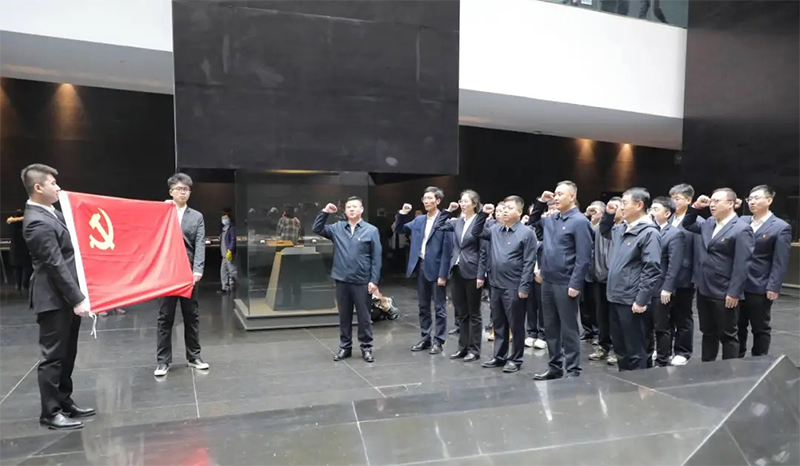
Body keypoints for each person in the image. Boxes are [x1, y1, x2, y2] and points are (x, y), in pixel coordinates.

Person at [21, 164, 95, 430]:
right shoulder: (36, 222)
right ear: (38, 187)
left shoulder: (52, 212)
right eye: (52, 183)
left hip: (65, 296)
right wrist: (77, 298)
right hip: (53, 299)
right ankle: (50, 412)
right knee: (53, 357)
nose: (58, 187)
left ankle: (64, 401)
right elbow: (55, 265)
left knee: (68, 353)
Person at [530, 182, 593, 380]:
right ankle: (555, 366)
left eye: (560, 194)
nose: (556, 198)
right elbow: (532, 221)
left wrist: (575, 283)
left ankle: (573, 369)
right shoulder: (552, 219)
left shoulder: (580, 221)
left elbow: (584, 257)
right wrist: (541, 201)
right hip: (547, 280)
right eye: (555, 194)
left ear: (572, 196)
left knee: (569, 328)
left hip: (566, 282)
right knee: (550, 327)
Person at [682, 188, 754, 362]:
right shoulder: (709, 223)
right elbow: (688, 223)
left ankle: (729, 370)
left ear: (730, 204)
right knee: (708, 332)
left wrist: (734, 292)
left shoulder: (742, 229)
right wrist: (696, 207)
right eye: (711, 201)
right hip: (704, 287)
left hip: (724, 290)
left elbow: (742, 264)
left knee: (728, 335)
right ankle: (707, 367)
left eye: (717, 201)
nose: (712, 205)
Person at [473, 196, 537, 373]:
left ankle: (515, 359)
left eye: (510, 208)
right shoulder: (495, 229)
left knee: (516, 325)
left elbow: (529, 262)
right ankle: (499, 356)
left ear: (519, 212)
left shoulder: (527, 233)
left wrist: (524, 286)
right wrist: (482, 214)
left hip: (514, 286)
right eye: (504, 207)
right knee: (499, 323)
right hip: (495, 284)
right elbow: (476, 232)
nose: (506, 211)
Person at [313, 197, 381, 363]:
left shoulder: (371, 230)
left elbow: (376, 258)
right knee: (344, 316)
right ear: (345, 210)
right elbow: (317, 228)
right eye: (348, 207)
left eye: (355, 206)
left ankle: (366, 347)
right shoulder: (337, 228)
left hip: (362, 280)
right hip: (342, 279)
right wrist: (325, 212)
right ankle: (345, 347)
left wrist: (374, 280)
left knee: (364, 317)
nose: (351, 209)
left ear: (361, 209)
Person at [601, 189, 662, 371]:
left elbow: (651, 268)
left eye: (624, 203)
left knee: (635, 348)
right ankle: (624, 380)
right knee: (620, 347)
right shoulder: (622, 229)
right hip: (616, 295)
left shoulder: (649, 233)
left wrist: (641, 299)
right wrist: (609, 213)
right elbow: (604, 230)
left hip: (632, 299)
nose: (621, 207)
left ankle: (638, 383)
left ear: (639, 205)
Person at [155, 173, 208, 377]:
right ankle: (163, 361)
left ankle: (194, 356)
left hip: (188, 272)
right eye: (179, 189)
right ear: (171, 192)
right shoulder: (162, 212)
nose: (183, 193)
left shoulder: (196, 217)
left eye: (186, 189)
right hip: (167, 272)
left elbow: (200, 244)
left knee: (191, 316)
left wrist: (198, 269)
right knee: (165, 317)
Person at [395, 187, 453, 354]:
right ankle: (425, 337)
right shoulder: (419, 220)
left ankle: (439, 340)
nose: (426, 201)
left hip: (437, 268)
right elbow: (399, 229)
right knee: (423, 306)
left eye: (430, 198)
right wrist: (402, 213)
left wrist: (443, 274)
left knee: (439, 307)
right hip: (421, 266)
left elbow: (448, 250)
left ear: (438, 201)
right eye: (424, 198)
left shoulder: (445, 220)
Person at [738, 185, 792, 357]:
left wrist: (773, 286)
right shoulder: (743, 221)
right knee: (737, 326)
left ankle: (759, 361)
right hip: (738, 284)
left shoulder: (780, 227)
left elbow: (780, 260)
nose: (752, 202)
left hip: (760, 284)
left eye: (756, 198)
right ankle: (736, 360)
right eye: (750, 199)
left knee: (760, 327)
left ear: (769, 200)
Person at [438, 190, 488, 363]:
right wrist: (448, 211)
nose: (462, 204)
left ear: (474, 204)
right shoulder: (457, 221)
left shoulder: (480, 222)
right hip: (457, 269)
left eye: (466, 201)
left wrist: (481, 274)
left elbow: (483, 251)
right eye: (461, 201)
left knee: (474, 313)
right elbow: (439, 225)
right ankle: (462, 347)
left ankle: (474, 349)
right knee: (462, 313)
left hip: (473, 270)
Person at [648, 196, 687, 367]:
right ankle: (649, 353)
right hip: (646, 285)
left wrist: (668, 288)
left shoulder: (674, 234)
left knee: (662, 325)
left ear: (667, 213)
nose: (652, 212)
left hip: (661, 286)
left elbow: (674, 264)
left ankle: (662, 359)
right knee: (646, 325)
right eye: (651, 209)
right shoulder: (648, 230)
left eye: (656, 209)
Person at [667, 184, 700, 365]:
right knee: (665, 314)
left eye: (677, 198)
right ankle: (664, 347)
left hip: (685, 275)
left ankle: (683, 351)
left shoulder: (696, 222)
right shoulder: (667, 218)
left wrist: (694, 277)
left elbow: (697, 251)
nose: (673, 202)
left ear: (688, 200)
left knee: (683, 315)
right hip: (665, 274)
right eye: (671, 198)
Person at [587, 200, 620, 366]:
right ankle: (603, 345)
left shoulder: (624, 229)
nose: (613, 210)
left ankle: (617, 349)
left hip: (616, 280)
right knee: (602, 316)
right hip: (599, 278)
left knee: (616, 317)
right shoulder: (600, 228)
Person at [7, 209, 32, 290]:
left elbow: (9, 220)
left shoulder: (11, 224)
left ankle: (17, 285)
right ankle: (25, 286)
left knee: (16, 268)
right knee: (26, 269)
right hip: (25, 249)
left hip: (15, 249)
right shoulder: (27, 225)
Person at [218, 207, 237, 294]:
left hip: (228, 253)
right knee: (223, 271)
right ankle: (225, 287)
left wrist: (231, 250)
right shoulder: (224, 229)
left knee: (232, 270)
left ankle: (241, 284)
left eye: (225, 218)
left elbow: (233, 240)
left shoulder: (231, 228)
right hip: (224, 254)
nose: (224, 220)